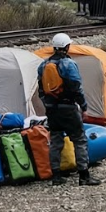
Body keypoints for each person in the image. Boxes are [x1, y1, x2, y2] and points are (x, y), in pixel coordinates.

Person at [38, 33, 100, 186]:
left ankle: (56, 176)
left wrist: (48, 105)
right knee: (79, 140)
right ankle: (84, 176)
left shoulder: (43, 65)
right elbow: (77, 89)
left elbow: (41, 91)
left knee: (56, 141)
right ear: (66, 47)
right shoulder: (68, 64)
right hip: (69, 109)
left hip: (52, 110)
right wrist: (84, 107)